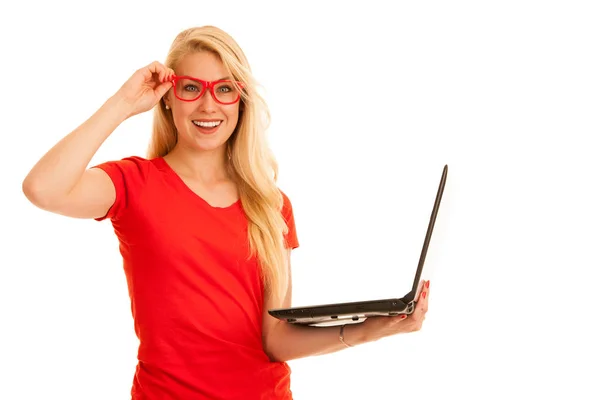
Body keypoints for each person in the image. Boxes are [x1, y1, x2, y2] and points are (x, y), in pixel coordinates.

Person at [22, 25, 430, 400]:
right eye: (190, 88)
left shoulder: (272, 204)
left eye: (224, 89)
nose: (207, 104)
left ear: (240, 101)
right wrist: (123, 103)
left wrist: (371, 329)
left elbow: (276, 340)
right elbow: (43, 188)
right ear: (167, 99)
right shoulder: (134, 184)